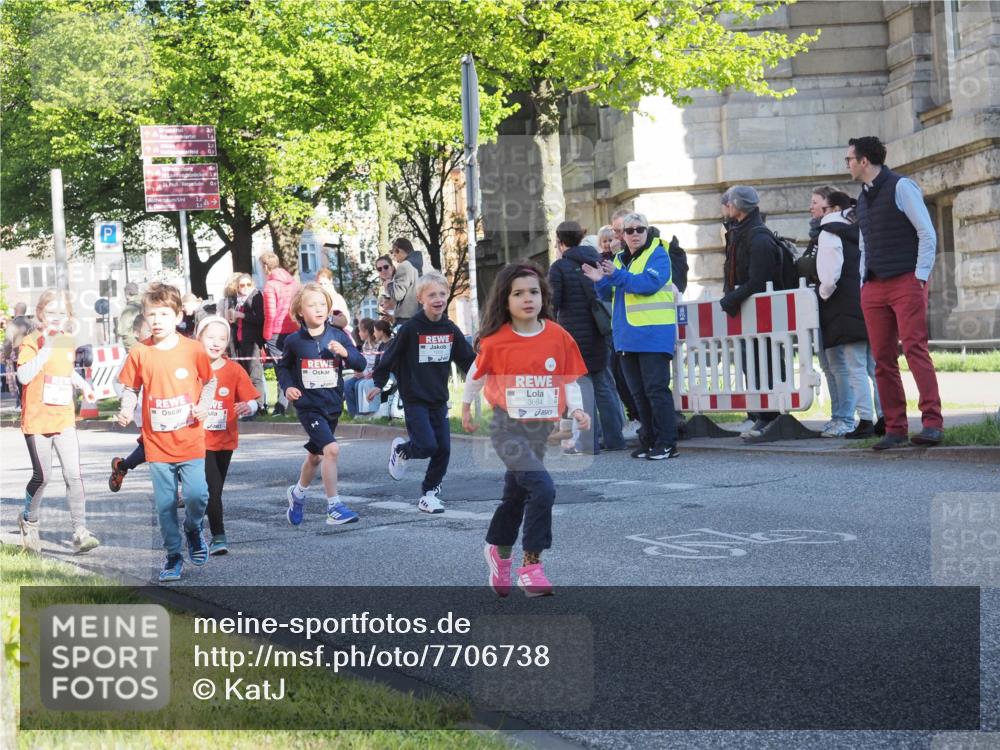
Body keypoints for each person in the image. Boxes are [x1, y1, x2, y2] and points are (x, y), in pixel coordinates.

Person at [462, 262, 590, 598]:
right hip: (507, 427)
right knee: (543, 489)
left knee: (516, 496)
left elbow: (568, 379)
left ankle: (498, 550)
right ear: (506, 301)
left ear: (543, 296)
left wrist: (576, 409)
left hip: (540, 429)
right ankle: (531, 567)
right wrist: (465, 406)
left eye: (533, 291)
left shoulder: (558, 336)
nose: (527, 298)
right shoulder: (496, 340)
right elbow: (475, 375)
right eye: (518, 293)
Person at [116, 283, 217, 583]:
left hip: (190, 439)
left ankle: (193, 529)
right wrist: (126, 408)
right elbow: (131, 388)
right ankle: (173, 555)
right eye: (152, 315)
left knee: (198, 495)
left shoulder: (193, 349)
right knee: (165, 505)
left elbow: (209, 382)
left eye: (164, 314)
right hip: (157, 444)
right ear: (145, 317)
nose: (157, 320)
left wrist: (204, 406)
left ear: (178, 316)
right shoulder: (140, 352)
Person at [847, 135, 943, 450]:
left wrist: (920, 277)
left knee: (915, 349)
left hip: (906, 281)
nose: (847, 164)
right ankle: (895, 428)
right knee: (882, 359)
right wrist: (864, 282)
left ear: (864, 161)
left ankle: (932, 423)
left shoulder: (902, 187)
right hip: (874, 286)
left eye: (850, 159)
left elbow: (926, 233)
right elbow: (865, 245)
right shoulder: (862, 198)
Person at [367, 271, 476, 514]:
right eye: (432, 295)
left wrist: (486, 375)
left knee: (443, 449)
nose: (438, 299)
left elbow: (468, 360)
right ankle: (402, 451)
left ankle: (429, 493)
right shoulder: (411, 328)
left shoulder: (450, 329)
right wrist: (378, 382)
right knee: (426, 445)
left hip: (439, 399)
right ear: (420, 299)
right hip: (415, 398)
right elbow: (390, 357)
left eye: (442, 294)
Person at [584, 212, 678, 460]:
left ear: (647, 230)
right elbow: (610, 294)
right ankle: (649, 441)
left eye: (640, 229)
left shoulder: (658, 252)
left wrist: (615, 275)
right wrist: (599, 281)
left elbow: (647, 284)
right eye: (629, 231)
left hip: (653, 334)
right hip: (627, 336)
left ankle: (667, 443)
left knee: (656, 391)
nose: (635, 234)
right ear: (622, 235)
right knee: (638, 394)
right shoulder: (620, 259)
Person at [17, 289, 101, 554]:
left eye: (61, 312)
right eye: (50, 312)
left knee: (73, 474)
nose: (56, 317)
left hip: (64, 417)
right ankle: (29, 520)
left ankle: (80, 531)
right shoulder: (31, 341)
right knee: (43, 477)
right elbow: (23, 376)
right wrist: (45, 350)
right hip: (37, 420)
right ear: (40, 314)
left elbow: (65, 371)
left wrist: (83, 384)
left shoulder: (66, 339)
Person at [277, 282, 366, 527]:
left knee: (315, 457)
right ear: (300, 312)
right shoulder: (294, 341)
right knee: (332, 450)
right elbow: (283, 368)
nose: (318, 309)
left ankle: (298, 494)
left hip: (333, 405)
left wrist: (346, 353)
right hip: (309, 407)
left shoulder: (338, 335)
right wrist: (288, 387)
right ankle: (334, 507)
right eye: (311, 305)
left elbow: (360, 364)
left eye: (322, 305)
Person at [548, 220, 626, 454]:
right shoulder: (597, 260)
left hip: (572, 335)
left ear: (560, 242)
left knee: (582, 389)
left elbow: (554, 302)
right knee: (603, 385)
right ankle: (615, 439)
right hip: (599, 331)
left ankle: (589, 442)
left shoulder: (559, 267)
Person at [719, 186, 784, 439]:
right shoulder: (741, 232)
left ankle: (770, 417)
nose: (725, 207)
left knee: (764, 363)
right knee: (752, 364)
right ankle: (760, 415)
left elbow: (759, 280)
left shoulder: (757, 237)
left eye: (728, 203)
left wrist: (731, 299)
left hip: (762, 314)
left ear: (736, 205)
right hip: (749, 313)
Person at [814, 191, 878, 439]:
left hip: (843, 305)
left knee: (854, 366)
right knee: (874, 366)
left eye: (823, 208)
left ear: (833, 209)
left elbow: (829, 276)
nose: (820, 212)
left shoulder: (829, 232)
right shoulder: (861, 227)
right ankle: (885, 417)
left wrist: (823, 293)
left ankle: (865, 420)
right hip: (868, 298)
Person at [196, 315, 260, 555]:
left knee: (214, 490)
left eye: (222, 339)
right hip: (197, 440)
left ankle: (195, 521)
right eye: (210, 337)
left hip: (225, 439)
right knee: (212, 489)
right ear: (198, 338)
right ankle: (218, 536)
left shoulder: (233, 369)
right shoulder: (191, 368)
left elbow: (252, 400)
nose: (216, 343)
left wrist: (248, 407)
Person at [260, 251, 300, 416]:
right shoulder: (294, 283)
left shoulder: (270, 285)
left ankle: (281, 406)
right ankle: (292, 405)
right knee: (293, 366)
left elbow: (270, 313)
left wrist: (266, 335)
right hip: (294, 329)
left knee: (281, 368)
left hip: (276, 331)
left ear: (265, 267)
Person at [229, 273, 267, 415]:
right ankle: (247, 407)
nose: (245, 287)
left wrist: (242, 315)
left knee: (255, 375)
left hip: (253, 342)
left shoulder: (256, 297)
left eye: (248, 284)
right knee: (244, 377)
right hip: (239, 342)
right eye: (242, 285)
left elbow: (260, 319)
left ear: (253, 285)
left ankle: (259, 406)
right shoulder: (236, 300)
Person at [384, 238, 425, 324]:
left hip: (407, 320)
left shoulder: (405, 265)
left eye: (395, 255)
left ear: (398, 250)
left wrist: (388, 285)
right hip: (424, 317)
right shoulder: (426, 264)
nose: (396, 260)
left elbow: (398, 295)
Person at [343, 318, 377, 417]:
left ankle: (361, 413)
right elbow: (364, 363)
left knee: (358, 384)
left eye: (360, 331)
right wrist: (358, 371)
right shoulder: (365, 345)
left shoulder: (377, 345)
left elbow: (375, 365)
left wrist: (363, 373)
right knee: (347, 384)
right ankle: (353, 414)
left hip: (371, 375)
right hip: (364, 373)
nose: (358, 333)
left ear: (366, 332)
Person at [117, 282, 144, 352]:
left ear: (127, 294)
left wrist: (131, 349)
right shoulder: (146, 304)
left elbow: (123, 330)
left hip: (135, 348)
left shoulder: (129, 309)